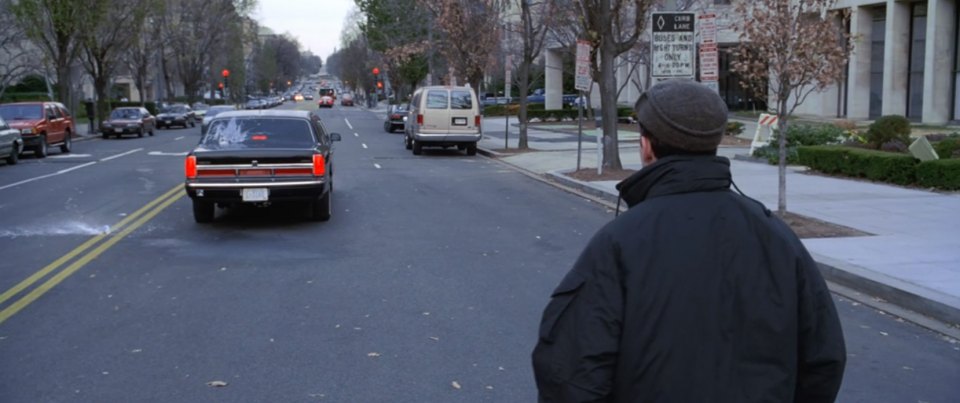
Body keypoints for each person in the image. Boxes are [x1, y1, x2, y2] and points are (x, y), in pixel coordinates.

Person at [531, 79, 846, 402]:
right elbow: (823, 358)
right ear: (714, 143)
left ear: (647, 147)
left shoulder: (621, 241)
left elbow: (571, 371)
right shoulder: (777, 237)